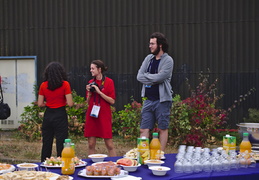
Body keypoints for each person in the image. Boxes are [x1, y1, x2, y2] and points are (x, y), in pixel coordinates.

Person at [137, 32, 174, 151]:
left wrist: (148, 77)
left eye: (152, 44)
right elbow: (139, 76)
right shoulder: (148, 58)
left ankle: (160, 155)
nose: (150, 46)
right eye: (150, 43)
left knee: (162, 128)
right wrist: (153, 78)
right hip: (148, 100)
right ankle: (143, 154)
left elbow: (161, 77)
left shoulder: (168, 60)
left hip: (162, 101)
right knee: (144, 129)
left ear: (160, 45)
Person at [38, 62, 74, 162]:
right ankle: (62, 163)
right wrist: (62, 101)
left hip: (48, 114)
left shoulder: (43, 85)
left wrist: (48, 103)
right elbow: (70, 103)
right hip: (60, 114)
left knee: (47, 142)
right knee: (61, 141)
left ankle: (44, 163)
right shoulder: (65, 84)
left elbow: (40, 103)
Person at [84, 60, 117, 157]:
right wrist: (89, 94)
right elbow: (87, 102)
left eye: (93, 68)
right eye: (90, 68)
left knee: (109, 144)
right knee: (91, 144)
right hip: (92, 114)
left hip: (104, 114)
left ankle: (114, 165)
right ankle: (91, 166)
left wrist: (99, 92)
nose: (91, 70)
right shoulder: (91, 82)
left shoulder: (109, 82)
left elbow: (112, 101)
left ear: (99, 69)